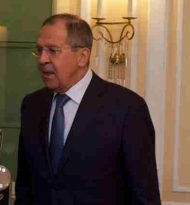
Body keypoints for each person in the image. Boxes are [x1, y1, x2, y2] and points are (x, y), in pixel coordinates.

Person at [15, 13, 161, 205]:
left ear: (82, 56)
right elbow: (25, 187)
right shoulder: (32, 105)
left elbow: (144, 195)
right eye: (39, 50)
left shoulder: (127, 109)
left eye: (52, 50)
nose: (42, 59)